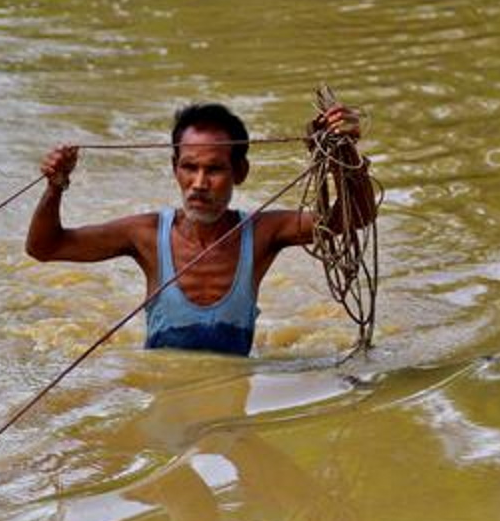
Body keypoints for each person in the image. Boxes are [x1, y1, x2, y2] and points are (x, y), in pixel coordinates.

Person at [25, 101, 375, 355]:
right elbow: (45, 247)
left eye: (215, 169)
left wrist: (346, 154)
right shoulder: (145, 234)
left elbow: (353, 218)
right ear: (175, 168)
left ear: (240, 172)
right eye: (189, 167)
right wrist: (56, 185)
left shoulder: (264, 233)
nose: (199, 183)